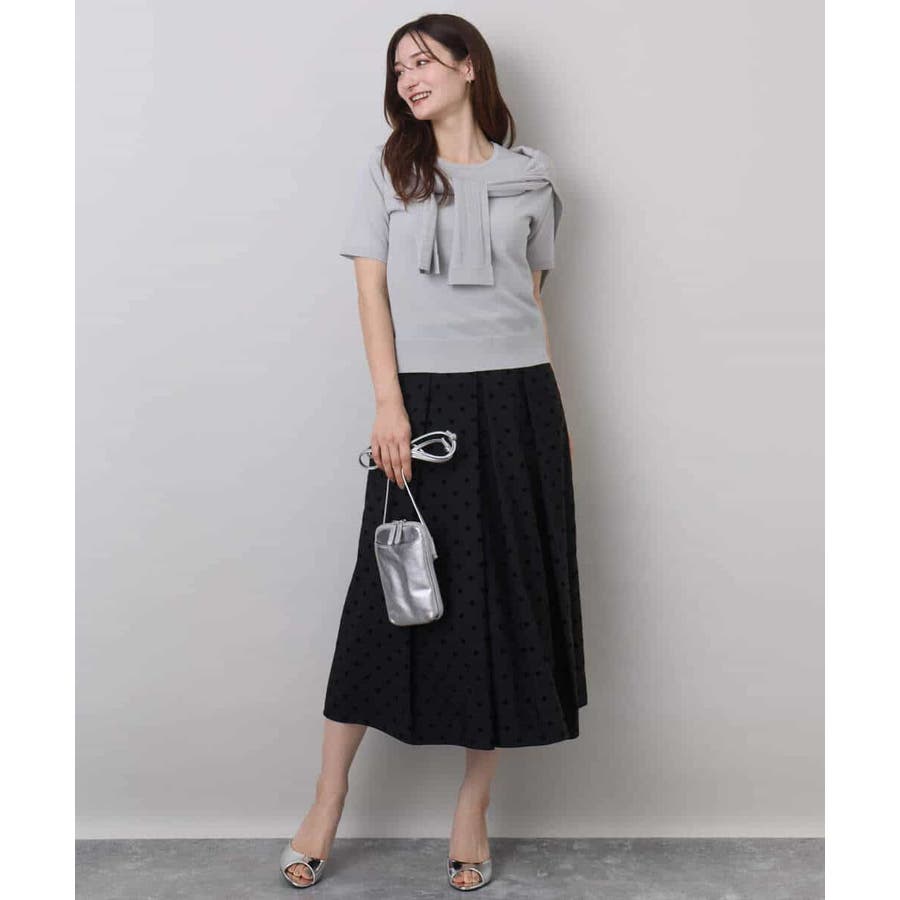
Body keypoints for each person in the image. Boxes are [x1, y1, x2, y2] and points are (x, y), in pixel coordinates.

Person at [279, 13, 588, 892]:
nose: (409, 78)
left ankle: (472, 809)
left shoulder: (533, 179)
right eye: (398, 68)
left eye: (423, 61)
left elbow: (532, 302)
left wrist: (553, 419)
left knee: (505, 604)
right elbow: (370, 294)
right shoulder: (390, 171)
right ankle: (327, 800)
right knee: (385, 594)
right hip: (424, 401)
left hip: (520, 402)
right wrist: (390, 405)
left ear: (468, 67)